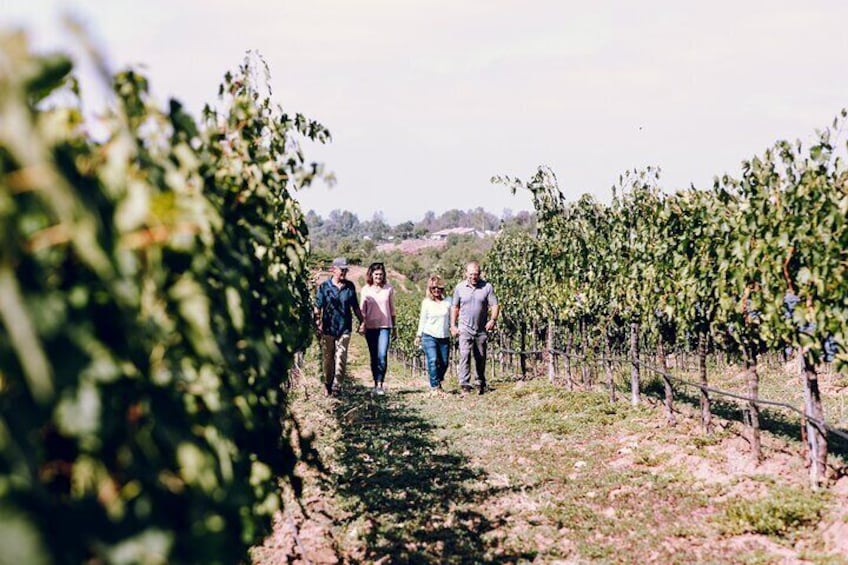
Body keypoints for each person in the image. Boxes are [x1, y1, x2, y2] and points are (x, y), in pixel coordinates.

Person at [314, 257, 364, 397]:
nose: (344, 272)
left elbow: (355, 307)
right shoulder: (324, 287)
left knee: (341, 356)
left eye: (345, 270)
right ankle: (327, 384)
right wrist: (317, 323)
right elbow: (318, 307)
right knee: (328, 358)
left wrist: (362, 321)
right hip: (328, 328)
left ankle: (337, 386)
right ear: (333, 270)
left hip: (344, 328)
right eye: (341, 270)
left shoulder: (350, 287)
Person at [450, 261, 499, 395]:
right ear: (466, 273)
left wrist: (493, 320)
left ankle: (480, 382)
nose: (473, 277)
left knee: (481, 357)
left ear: (480, 274)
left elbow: (494, 305)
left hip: (481, 329)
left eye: (476, 274)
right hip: (464, 328)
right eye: (471, 274)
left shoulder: (487, 287)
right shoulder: (459, 288)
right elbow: (455, 307)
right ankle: (464, 384)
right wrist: (453, 325)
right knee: (464, 355)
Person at [360, 262, 396, 395]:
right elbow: (362, 310)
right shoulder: (365, 290)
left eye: (381, 274)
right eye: (376, 274)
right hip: (370, 327)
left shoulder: (389, 289)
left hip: (385, 326)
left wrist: (395, 326)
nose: (378, 277)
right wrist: (362, 324)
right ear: (371, 275)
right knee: (374, 356)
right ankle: (375, 382)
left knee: (382, 355)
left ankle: (380, 383)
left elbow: (392, 309)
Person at [414, 275, 452, 395]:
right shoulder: (426, 303)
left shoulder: (448, 301)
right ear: (430, 289)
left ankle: (438, 380)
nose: (436, 290)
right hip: (429, 335)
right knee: (433, 360)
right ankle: (435, 387)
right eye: (433, 288)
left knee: (444, 362)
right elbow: (422, 320)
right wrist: (418, 336)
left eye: (439, 288)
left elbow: (453, 317)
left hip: (444, 336)